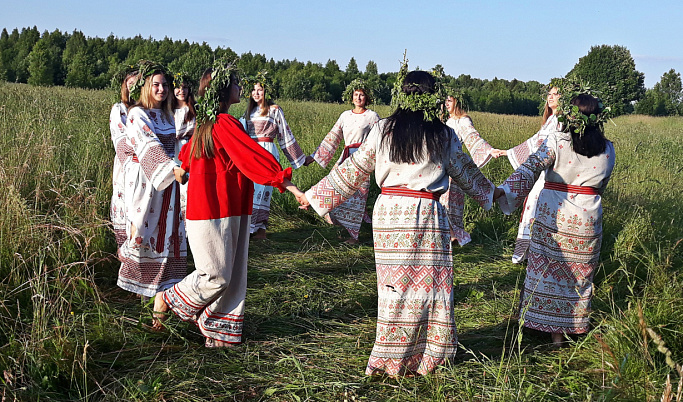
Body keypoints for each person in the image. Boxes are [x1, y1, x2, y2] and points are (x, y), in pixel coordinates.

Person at [299, 67, 499, 376]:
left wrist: (314, 196)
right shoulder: (442, 134)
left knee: (394, 290)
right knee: (431, 287)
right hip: (427, 214)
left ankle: (391, 357)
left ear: (401, 95)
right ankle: (430, 355)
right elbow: (468, 174)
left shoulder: (383, 129)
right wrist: (497, 194)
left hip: (390, 215)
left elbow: (353, 169)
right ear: (432, 97)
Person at [157, 60, 306, 346]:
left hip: (231, 206)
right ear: (224, 91)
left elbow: (187, 158)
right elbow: (252, 156)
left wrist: (186, 169)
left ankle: (220, 331)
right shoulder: (224, 123)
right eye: (237, 83)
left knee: (234, 274)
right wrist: (290, 185)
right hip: (212, 208)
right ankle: (169, 297)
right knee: (217, 276)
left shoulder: (208, 124)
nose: (242, 88)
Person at [496, 85, 615, 346]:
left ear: (570, 117)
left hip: (554, 216)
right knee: (580, 273)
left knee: (547, 270)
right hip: (587, 220)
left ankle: (551, 330)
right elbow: (601, 185)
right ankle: (573, 325)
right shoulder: (608, 149)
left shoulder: (557, 142)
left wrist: (503, 192)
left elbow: (530, 168)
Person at [117, 61, 187, 327]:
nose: (161, 89)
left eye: (165, 85)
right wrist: (171, 167)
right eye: (156, 84)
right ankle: (142, 289)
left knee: (169, 236)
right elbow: (149, 144)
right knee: (144, 233)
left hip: (170, 181)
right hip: (147, 181)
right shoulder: (137, 114)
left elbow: (177, 144)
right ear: (146, 87)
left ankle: (160, 306)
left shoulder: (168, 115)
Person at [490, 83, 562, 263]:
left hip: (550, 175)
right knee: (532, 210)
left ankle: (539, 255)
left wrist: (509, 152)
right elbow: (532, 144)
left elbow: (538, 148)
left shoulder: (560, 122)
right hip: (540, 173)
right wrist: (508, 152)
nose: (551, 97)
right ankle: (529, 255)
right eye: (549, 94)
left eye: (556, 94)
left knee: (539, 211)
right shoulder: (549, 121)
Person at [241, 71, 313, 239]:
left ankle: (261, 231)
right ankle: (248, 230)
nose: (256, 93)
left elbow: (285, 135)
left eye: (260, 90)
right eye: (253, 90)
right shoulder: (248, 113)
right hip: (252, 153)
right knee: (250, 191)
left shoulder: (274, 110)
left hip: (267, 151)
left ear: (267, 92)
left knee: (264, 190)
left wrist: (300, 159)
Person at [308, 79, 380, 244]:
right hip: (345, 158)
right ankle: (344, 229)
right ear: (351, 97)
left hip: (362, 158)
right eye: (356, 94)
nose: (359, 97)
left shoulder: (372, 116)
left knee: (358, 195)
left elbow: (380, 138)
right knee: (337, 190)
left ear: (367, 97)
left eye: (362, 94)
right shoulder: (345, 116)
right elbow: (333, 138)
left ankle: (354, 236)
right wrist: (313, 157)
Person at [440, 92, 496, 245]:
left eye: (450, 101)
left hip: (454, 165)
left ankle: (454, 236)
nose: (447, 104)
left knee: (451, 202)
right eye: (445, 100)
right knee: (440, 200)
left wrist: (489, 150)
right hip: (439, 165)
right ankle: (445, 234)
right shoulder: (443, 120)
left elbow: (472, 136)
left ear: (457, 103)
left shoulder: (462, 120)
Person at [109, 68, 138, 250]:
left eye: (138, 85)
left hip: (148, 170)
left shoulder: (151, 110)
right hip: (127, 167)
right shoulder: (119, 109)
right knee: (126, 204)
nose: (134, 88)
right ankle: (125, 254)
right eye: (131, 85)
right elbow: (122, 143)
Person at [172, 72, 197, 219]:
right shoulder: (167, 110)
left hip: (188, 148)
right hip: (172, 149)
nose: (181, 91)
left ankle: (187, 226)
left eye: (185, 87)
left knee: (187, 188)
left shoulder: (194, 109)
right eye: (178, 87)